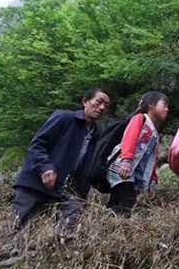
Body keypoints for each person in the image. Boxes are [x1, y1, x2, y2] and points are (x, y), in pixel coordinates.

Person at [12, 88, 111, 226]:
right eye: (99, 102)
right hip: (37, 184)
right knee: (19, 228)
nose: (102, 108)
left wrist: (81, 197)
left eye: (106, 105)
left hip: (65, 191)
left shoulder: (96, 135)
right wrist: (45, 167)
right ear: (85, 101)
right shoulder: (65, 118)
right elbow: (37, 145)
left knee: (69, 224)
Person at [105, 91, 169, 214]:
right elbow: (130, 138)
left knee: (117, 201)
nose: (166, 109)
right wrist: (126, 160)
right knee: (128, 202)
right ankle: (118, 223)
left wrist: (152, 181)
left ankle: (107, 221)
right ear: (150, 104)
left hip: (132, 173)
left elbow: (152, 159)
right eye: (164, 105)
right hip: (123, 168)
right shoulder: (140, 119)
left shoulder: (155, 132)